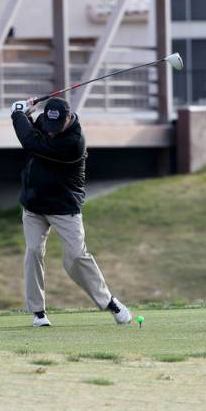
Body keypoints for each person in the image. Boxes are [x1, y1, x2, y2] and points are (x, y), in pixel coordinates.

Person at [10, 96, 131, 327]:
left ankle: (110, 302)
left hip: (64, 207)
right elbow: (32, 131)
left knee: (76, 257)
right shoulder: (47, 123)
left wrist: (16, 114)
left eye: (57, 127)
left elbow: (31, 142)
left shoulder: (74, 142)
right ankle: (38, 312)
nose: (52, 131)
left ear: (69, 118)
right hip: (34, 204)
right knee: (34, 251)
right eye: (49, 125)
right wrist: (26, 112)